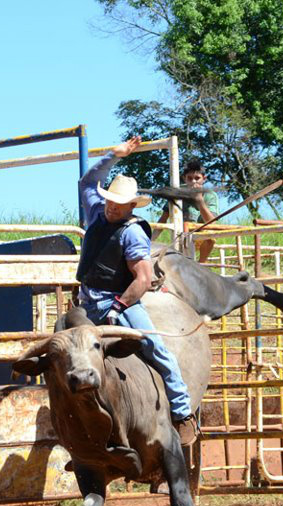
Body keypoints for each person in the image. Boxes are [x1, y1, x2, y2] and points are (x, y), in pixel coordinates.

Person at [77, 136, 199, 445]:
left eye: (118, 205)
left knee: (155, 349)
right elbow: (87, 182)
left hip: (116, 302)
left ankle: (183, 413)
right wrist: (112, 155)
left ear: (132, 206)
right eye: (109, 201)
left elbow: (142, 279)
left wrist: (118, 308)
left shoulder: (132, 232)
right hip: (86, 299)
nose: (111, 208)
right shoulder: (96, 212)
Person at [154, 159, 218, 262]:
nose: (193, 182)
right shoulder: (177, 193)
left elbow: (212, 223)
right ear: (184, 179)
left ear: (204, 179)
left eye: (197, 178)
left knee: (210, 238)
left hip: (200, 237)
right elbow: (163, 218)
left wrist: (200, 201)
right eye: (190, 178)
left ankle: (200, 266)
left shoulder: (210, 195)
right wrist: (151, 240)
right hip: (180, 237)